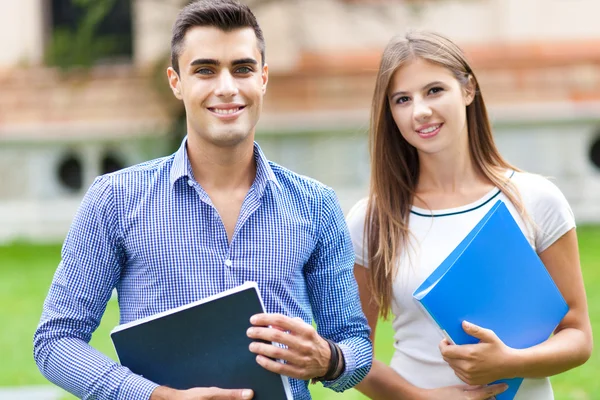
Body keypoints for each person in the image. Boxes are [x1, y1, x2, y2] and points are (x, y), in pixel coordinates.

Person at [33, 1, 372, 399]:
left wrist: (330, 359)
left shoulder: (316, 205)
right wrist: (157, 397)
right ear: (176, 82)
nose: (226, 87)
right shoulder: (115, 200)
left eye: (242, 68)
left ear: (263, 78)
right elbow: (55, 342)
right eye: (205, 70)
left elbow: (356, 344)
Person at [345, 31, 593, 400]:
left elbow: (577, 336)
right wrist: (422, 398)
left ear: (468, 90)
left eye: (434, 90)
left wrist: (511, 361)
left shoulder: (536, 200)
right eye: (402, 99)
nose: (420, 111)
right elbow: (352, 353)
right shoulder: (371, 220)